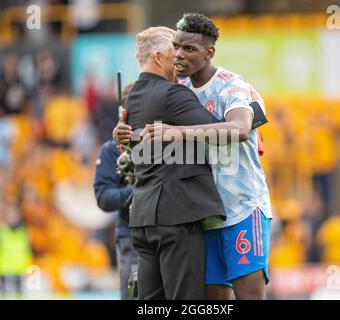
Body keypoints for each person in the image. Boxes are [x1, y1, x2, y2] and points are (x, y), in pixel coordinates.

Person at [114, 13, 272, 300]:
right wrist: (127, 133)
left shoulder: (232, 86)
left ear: (209, 53)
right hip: (205, 215)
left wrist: (180, 133)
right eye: (175, 46)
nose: (178, 54)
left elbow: (240, 128)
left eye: (189, 49)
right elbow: (148, 120)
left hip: (242, 207)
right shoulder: (179, 88)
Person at [123, 26, 227, 300]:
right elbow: (219, 132)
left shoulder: (132, 97)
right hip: (177, 217)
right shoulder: (173, 94)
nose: (180, 57)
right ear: (158, 57)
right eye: (175, 50)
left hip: (143, 220)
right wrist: (250, 109)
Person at [93, 83, 138, 300]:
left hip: (165, 234)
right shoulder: (112, 149)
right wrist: (135, 190)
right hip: (131, 235)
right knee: (133, 294)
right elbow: (103, 197)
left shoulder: (163, 142)